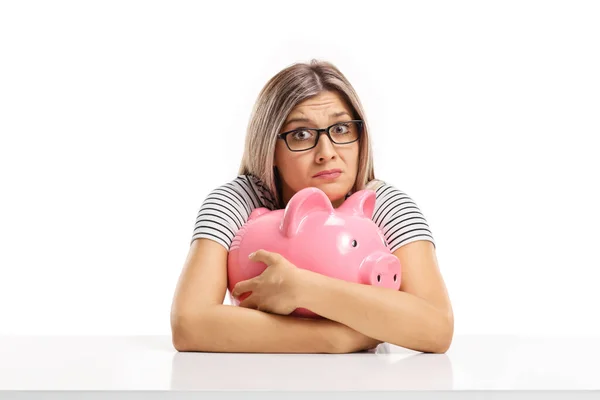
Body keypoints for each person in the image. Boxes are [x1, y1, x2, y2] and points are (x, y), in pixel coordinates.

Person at [170, 60, 453, 354]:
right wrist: (336, 339)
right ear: (270, 148)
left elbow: (437, 328)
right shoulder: (237, 202)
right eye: (301, 135)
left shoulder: (385, 205)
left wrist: (304, 288)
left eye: (342, 129)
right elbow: (189, 323)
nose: (327, 153)